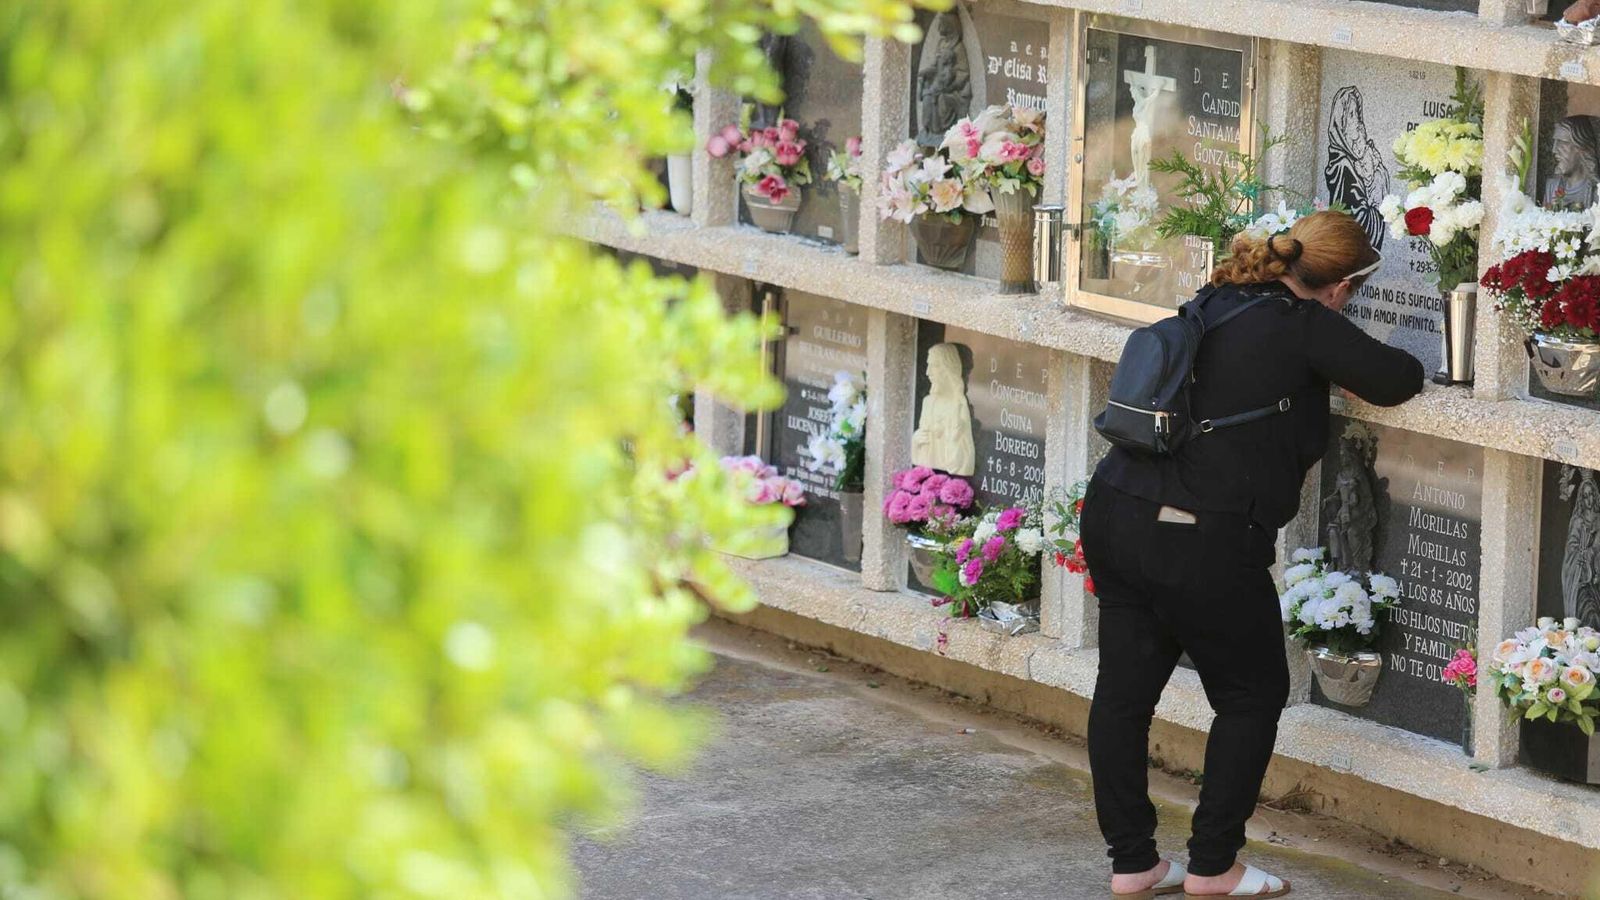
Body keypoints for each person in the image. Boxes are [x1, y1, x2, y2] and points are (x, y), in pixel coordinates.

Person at [1080, 211, 1424, 898]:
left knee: (1122, 695)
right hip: (1198, 534)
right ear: (1341, 286)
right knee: (1251, 693)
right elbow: (1397, 377)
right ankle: (1213, 865)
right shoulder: (1305, 323)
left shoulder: (1214, 297)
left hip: (1114, 506)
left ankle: (1134, 861)